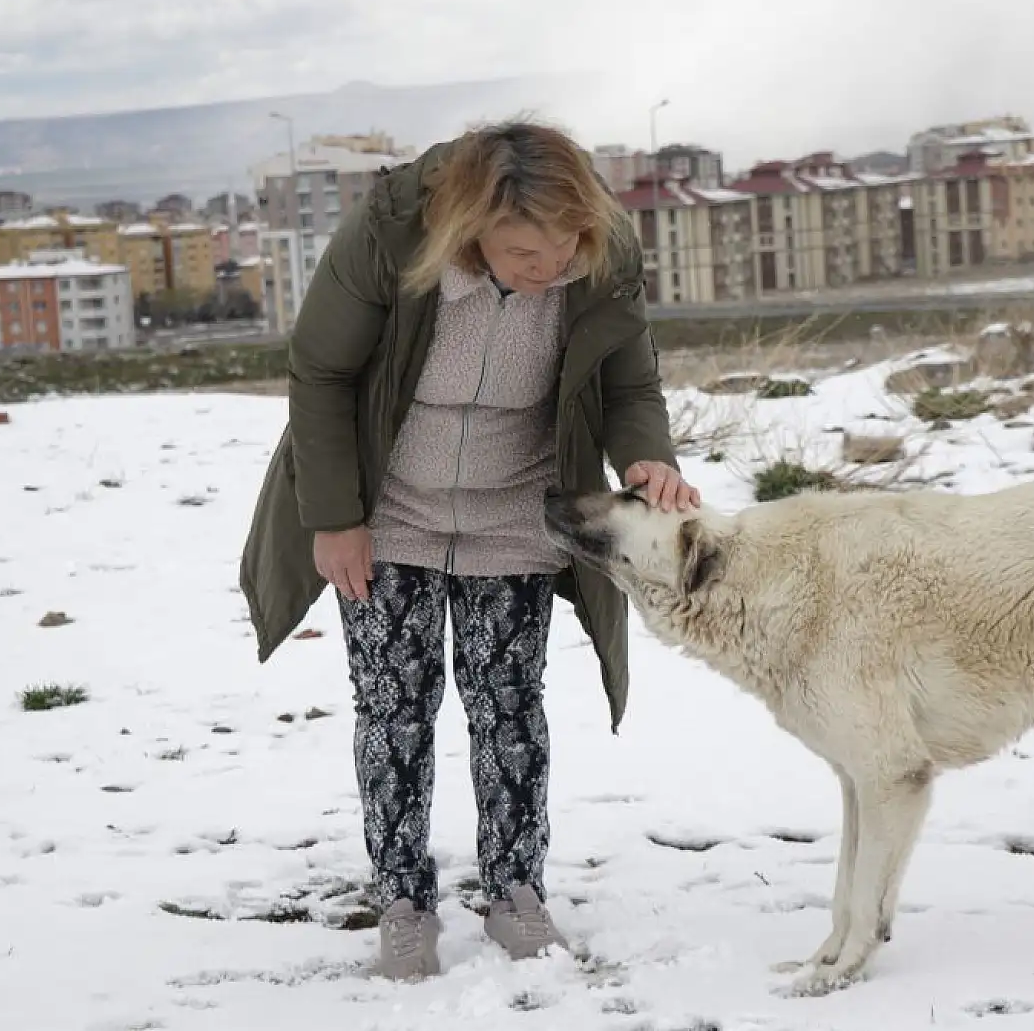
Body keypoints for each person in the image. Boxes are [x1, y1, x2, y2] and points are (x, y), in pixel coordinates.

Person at [238, 119, 699, 982]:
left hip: (515, 508)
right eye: (525, 250)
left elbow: (629, 380)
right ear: (469, 226)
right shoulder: (389, 231)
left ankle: (515, 888)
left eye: (564, 246)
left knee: (508, 704)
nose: (550, 266)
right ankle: (403, 899)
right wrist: (334, 515)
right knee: (394, 707)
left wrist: (648, 457)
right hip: (388, 509)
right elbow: (320, 371)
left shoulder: (599, 249)